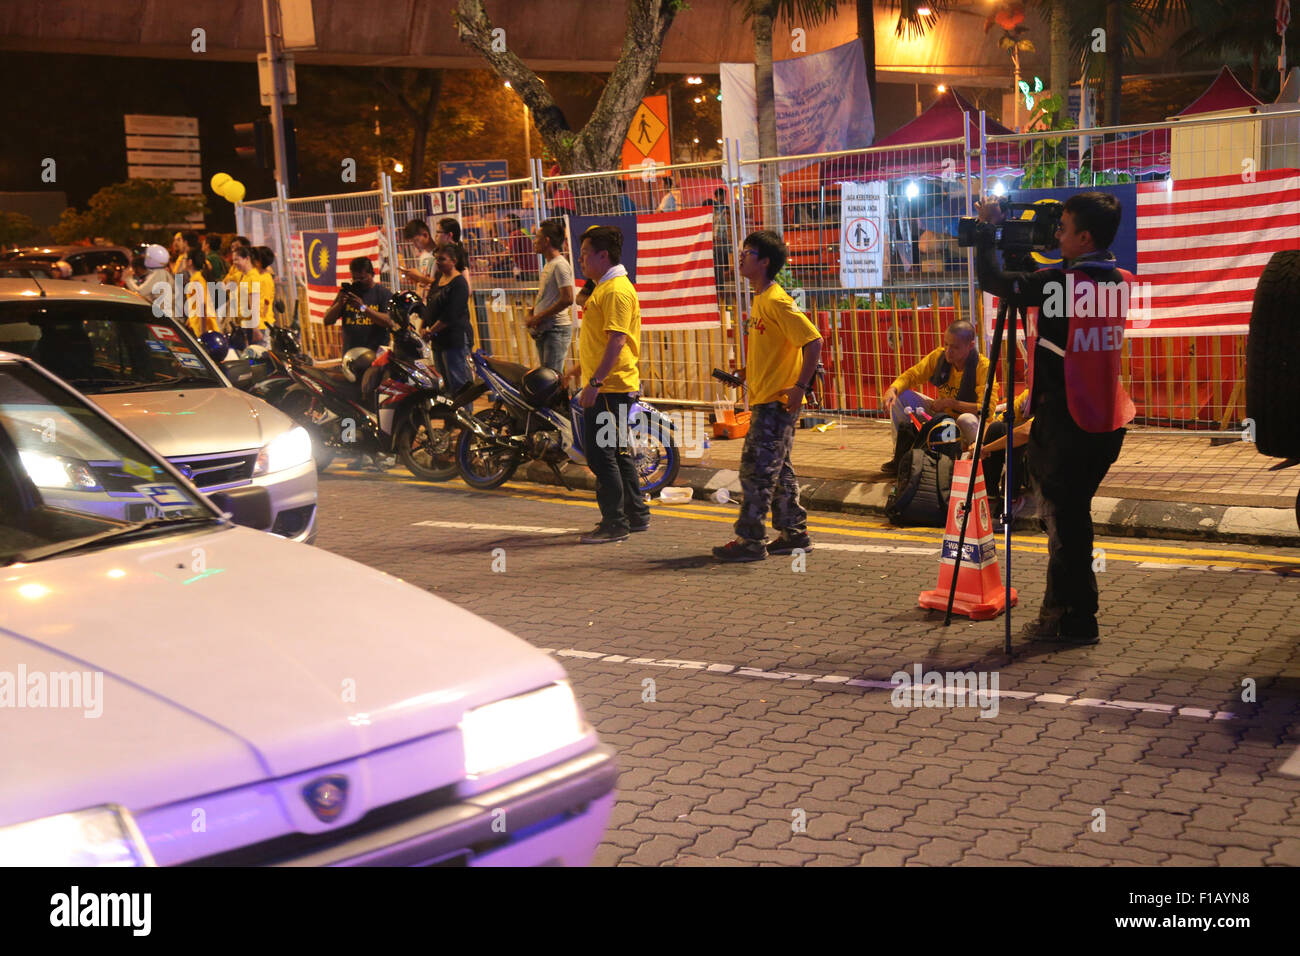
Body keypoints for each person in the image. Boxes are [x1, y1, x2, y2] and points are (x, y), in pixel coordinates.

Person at [973, 191, 1135, 644]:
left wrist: (987, 230)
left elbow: (994, 279)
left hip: (1068, 423)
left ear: (1084, 237)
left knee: (1066, 525)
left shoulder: (1056, 284)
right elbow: (1043, 281)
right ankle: (1066, 613)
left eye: (1062, 230)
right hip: (1107, 419)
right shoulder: (1117, 280)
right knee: (1072, 520)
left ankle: (1073, 620)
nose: (1056, 236)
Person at [712, 231, 823, 562]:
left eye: (748, 252)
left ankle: (750, 541)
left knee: (756, 471)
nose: (741, 256)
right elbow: (776, 347)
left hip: (776, 403)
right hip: (765, 398)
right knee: (777, 470)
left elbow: (813, 341)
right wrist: (747, 372)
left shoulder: (776, 300)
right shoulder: (760, 299)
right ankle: (794, 534)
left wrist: (800, 388)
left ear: (764, 262)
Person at [566, 225, 650, 544]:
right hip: (610, 387)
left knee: (602, 456)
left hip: (609, 389)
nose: (580, 260)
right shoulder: (605, 286)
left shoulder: (614, 289)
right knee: (616, 451)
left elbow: (616, 340)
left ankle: (614, 522)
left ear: (604, 255)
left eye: (586, 254)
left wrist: (595, 383)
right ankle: (636, 513)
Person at [879, 320, 999, 476]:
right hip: (942, 415)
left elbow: (987, 410)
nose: (948, 351)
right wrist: (892, 390)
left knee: (966, 419)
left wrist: (951, 403)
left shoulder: (983, 366)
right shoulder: (939, 356)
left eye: (955, 347)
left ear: (970, 345)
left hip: (967, 423)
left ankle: (976, 467)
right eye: (946, 344)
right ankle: (901, 457)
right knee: (902, 396)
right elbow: (912, 375)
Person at [421, 243, 474, 393]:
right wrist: (423, 326)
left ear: (454, 261)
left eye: (442, 259)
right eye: (436, 259)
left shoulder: (459, 283)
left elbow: (451, 314)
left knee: (458, 382)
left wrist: (430, 331)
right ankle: (450, 414)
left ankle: (464, 413)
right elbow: (430, 304)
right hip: (438, 339)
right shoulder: (438, 278)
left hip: (453, 339)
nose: (438, 262)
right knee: (444, 382)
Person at [526, 218, 574, 374]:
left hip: (556, 330)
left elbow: (567, 298)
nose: (534, 241)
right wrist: (534, 311)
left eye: (537, 237)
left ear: (546, 241)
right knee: (546, 376)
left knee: (551, 378)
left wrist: (539, 316)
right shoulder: (549, 264)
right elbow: (550, 296)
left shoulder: (560, 265)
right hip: (546, 329)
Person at [323, 256, 396, 356]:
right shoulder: (348, 293)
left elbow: (389, 321)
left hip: (376, 355)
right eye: (355, 279)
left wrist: (363, 308)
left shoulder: (383, 294)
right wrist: (339, 304)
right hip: (351, 354)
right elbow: (327, 320)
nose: (358, 282)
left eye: (362, 278)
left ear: (372, 274)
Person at [400, 219, 437, 297]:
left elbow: (441, 283)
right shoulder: (423, 256)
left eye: (416, 240)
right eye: (412, 242)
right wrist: (414, 278)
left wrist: (419, 277)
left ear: (425, 235)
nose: (415, 245)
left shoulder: (439, 255)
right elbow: (423, 282)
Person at [711, 186, 731, 289]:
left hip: (722, 239)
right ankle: (720, 286)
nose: (723, 197)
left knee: (721, 263)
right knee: (720, 263)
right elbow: (716, 224)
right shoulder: (717, 209)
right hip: (719, 239)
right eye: (722, 195)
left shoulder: (724, 209)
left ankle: (721, 285)